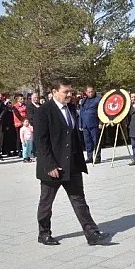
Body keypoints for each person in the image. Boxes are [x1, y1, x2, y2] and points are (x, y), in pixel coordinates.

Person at [34, 78, 110, 246]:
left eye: (71, 91)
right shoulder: (44, 111)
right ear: (54, 92)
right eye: (66, 92)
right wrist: (50, 165)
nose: (70, 95)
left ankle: (92, 233)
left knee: (79, 200)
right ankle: (44, 233)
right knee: (46, 202)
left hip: (72, 164)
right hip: (53, 166)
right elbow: (41, 142)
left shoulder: (71, 108)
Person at [78, 86, 101, 164]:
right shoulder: (84, 101)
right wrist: (80, 124)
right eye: (89, 92)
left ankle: (97, 157)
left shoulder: (98, 99)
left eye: (92, 91)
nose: (90, 93)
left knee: (96, 141)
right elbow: (81, 113)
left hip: (94, 123)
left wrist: (100, 122)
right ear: (86, 92)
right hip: (85, 125)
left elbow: (101, 112)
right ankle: (89, 157)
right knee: (87, 142)